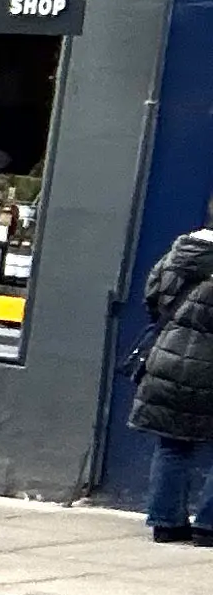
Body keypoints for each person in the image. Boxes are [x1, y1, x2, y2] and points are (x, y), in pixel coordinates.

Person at [134, 207, 213, 542]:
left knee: (172, 445)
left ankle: (165, 522)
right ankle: (208, 526)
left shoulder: (177, 255)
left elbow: (152, 299)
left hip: (166, 362)